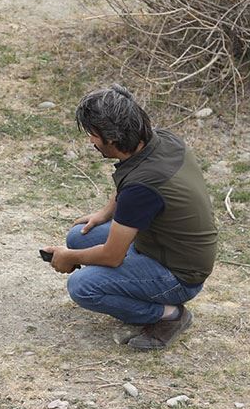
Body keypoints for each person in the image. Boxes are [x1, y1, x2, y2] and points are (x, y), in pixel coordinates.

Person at [41, 85, 218, 350]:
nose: (91, 141)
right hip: (163, 245)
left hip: (179, 275)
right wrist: (104, 214)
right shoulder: (160, 140)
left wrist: (69, 258)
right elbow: (129, 178)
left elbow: (112, 255)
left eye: (93, 134)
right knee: (78, 237)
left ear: (111, 139)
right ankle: (134, 282)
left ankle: (170, 315)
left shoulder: (141, 189)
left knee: (81, 286)